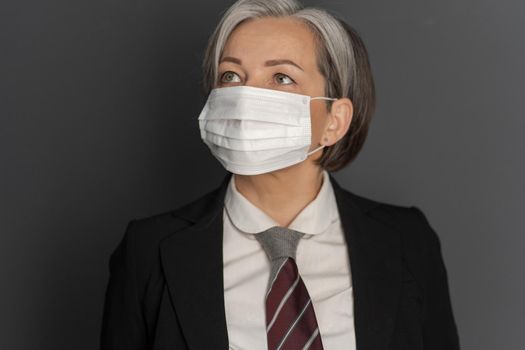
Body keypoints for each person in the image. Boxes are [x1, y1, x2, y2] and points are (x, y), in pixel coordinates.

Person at [99, 0, 460, 349]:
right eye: (231, 75)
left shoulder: (407, 241)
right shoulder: (149, 251)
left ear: (335, 120)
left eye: (281, 77)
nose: (244, 96)